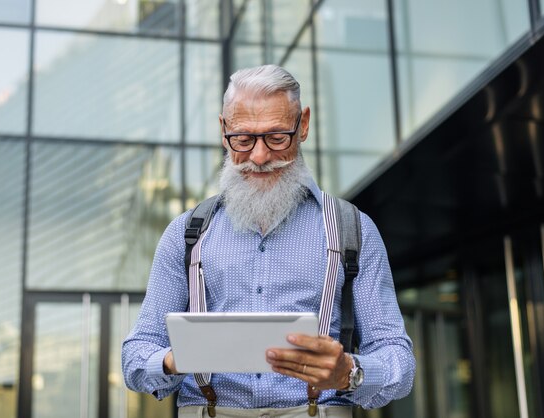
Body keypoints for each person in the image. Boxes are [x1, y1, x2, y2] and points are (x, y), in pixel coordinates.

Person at [122, 65, 415, 417]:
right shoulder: (186, 234)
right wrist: (173, 359)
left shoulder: (354, 229)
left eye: (277, 138)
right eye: (243, 140)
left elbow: (398, 359)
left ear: (303, 125)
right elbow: (136, 354)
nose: (259, 157)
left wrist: (348, 373)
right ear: (223, 130)